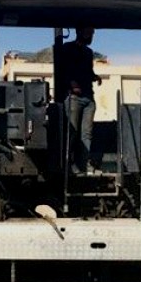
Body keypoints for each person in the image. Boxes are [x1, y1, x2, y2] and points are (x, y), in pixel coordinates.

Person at [56, 26, 101, 174]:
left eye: (92, 33)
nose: (91, 35)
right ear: (79, 32)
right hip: (74, 97)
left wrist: (95, 77)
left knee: (86, 133)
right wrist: (72, 84)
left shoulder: (89, 52)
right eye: (89, 32)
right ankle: (69, 164)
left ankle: (83, 164)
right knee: (72, 132)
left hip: (88, 97)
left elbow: (88, 72)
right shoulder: (67, 48)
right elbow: (64, 70)